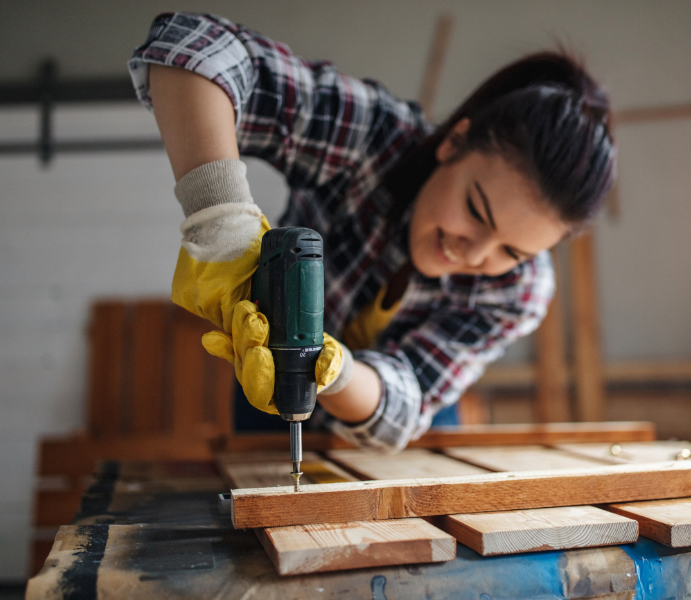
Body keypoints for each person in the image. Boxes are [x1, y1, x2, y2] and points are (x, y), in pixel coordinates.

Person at [128, 12, 615, 452]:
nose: (474, 253)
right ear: (454, 142)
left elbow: (406, 402)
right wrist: (223, 223)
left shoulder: (522, 288)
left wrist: (331, 372)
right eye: (475, 210)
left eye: (511, 249)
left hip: (385, 423)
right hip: (266, 375)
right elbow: (191, 46)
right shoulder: (375, 137)